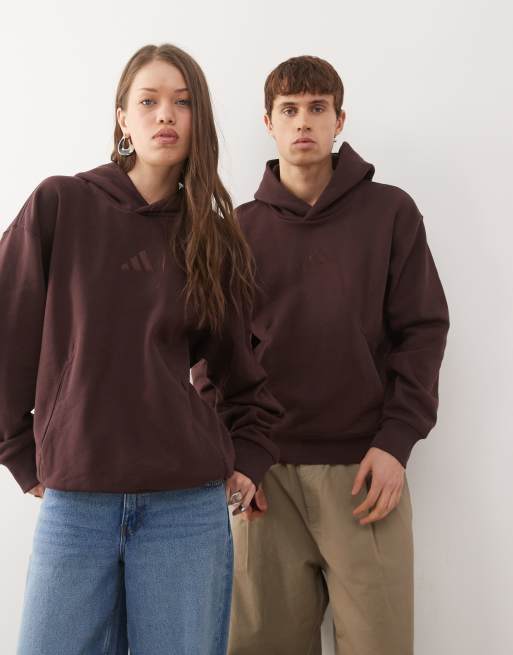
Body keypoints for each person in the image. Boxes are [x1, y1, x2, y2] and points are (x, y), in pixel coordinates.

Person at [0, 43, 284, 655]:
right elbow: (7, 334)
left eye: (182, 103)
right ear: (122, 119)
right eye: (149, 101)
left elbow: (240, 373)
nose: (166, 115)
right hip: (77, 502)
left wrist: (249, 458)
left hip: (186, 509)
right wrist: (19, 451)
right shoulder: (60, 204)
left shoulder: (211, 237)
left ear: (198, 119)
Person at [191, 55, 450, 654]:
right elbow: (212, 355)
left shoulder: (390, 213)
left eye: (317, 108)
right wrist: (235, 454)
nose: (303, 121)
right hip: (265, 478)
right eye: (289, 110)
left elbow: (423, 330)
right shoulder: (238, 230)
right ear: (268, 122)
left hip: (366, 473)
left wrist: (396, 441)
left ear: (339, 120)